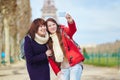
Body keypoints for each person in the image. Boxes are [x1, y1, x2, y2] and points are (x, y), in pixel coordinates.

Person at [46, 13, 85, 80]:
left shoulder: (63, 31)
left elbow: (72, 31)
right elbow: (51, 59)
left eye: (53, 24)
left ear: (56, 25)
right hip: (63, 68)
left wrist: (70, 22)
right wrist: (57, 72)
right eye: (49, 26)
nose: (52, 27)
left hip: (75, 64)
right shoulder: (48, 41)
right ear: (47, 28)